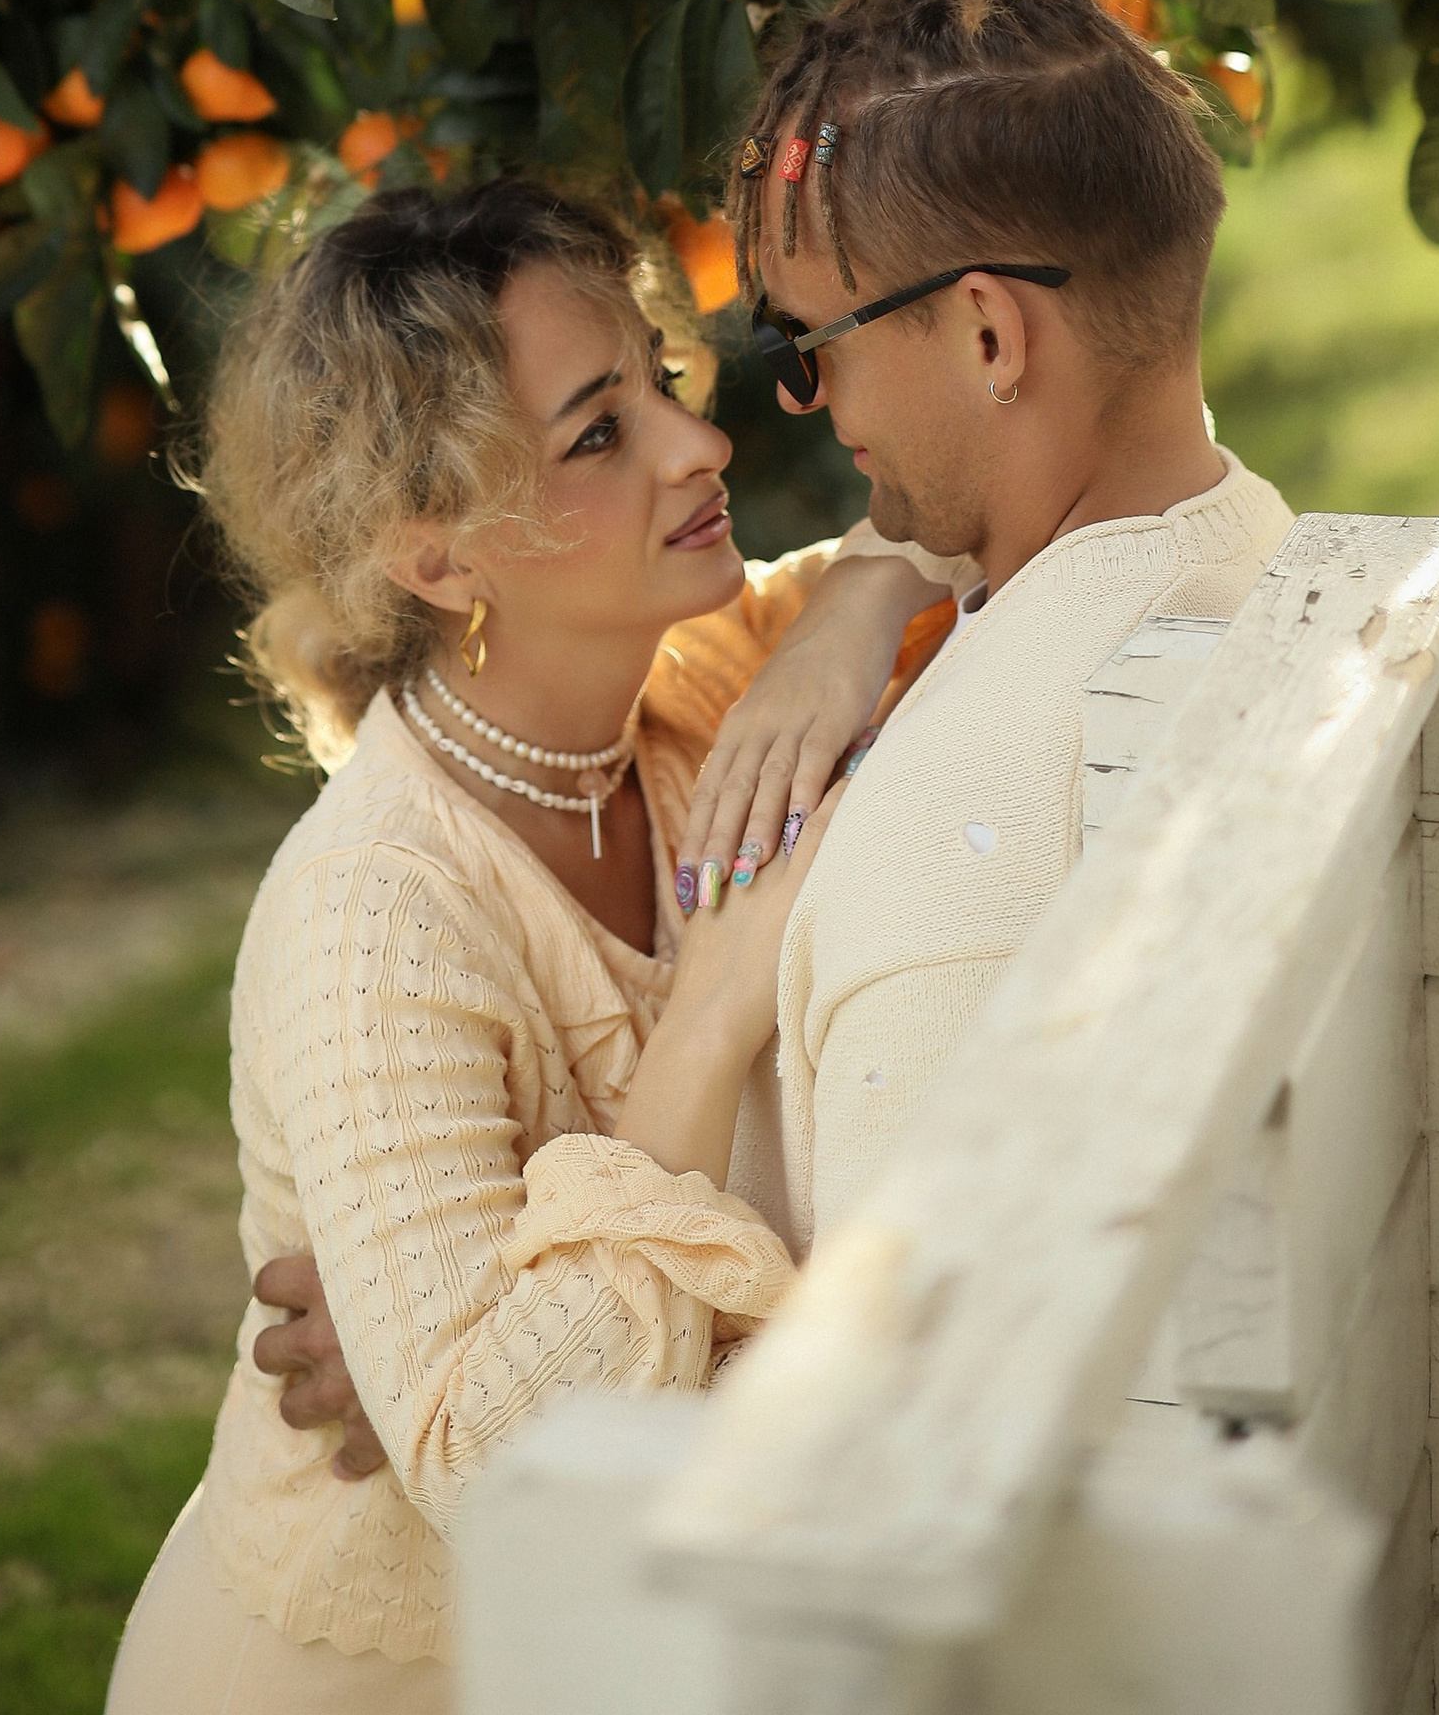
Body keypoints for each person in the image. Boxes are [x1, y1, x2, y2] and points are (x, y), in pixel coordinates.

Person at [105, 177, 949, 1713]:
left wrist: (849, 617)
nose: (699, 445)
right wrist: (708, 1018)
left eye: (660, 380)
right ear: (437, 558)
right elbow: (493, 1460)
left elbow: (983, 520)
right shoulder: (373, 915)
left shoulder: (695, 689)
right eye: (599, 434)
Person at [723, 0, 1295, 1246]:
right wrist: (867, 585)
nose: (805, 401)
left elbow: (895, 1374)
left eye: (810, 345)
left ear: (989, 336)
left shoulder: (948, 857)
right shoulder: (1247, 552)